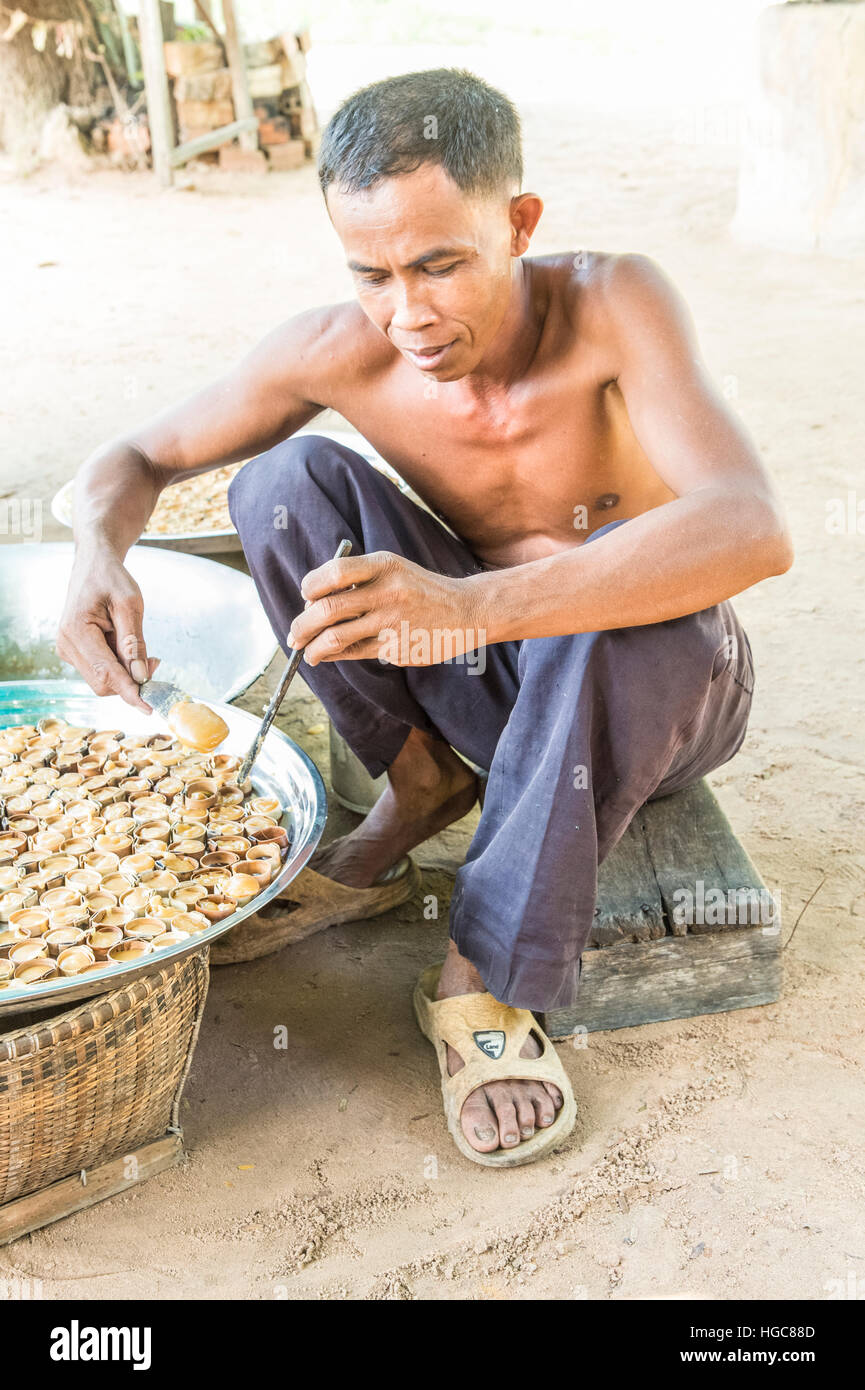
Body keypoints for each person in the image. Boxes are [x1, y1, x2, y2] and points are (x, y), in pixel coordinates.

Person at [58, 69, 793, 1167]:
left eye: (442, 263)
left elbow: (752, 525)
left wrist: (471, 603)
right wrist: (93, 553)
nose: (408, 313)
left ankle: (480, 973)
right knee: (283, 481)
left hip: (660, 691)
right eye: (372, 274)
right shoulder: (343, 347)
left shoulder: (612, 303)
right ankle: (420, 784)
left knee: (610, 585)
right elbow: (137, 457)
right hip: (491, 688)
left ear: (519, 222)